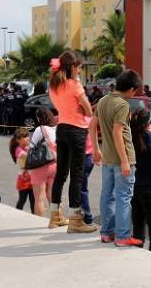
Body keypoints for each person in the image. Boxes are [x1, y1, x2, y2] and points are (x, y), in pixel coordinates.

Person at [90, 69, 142, 246]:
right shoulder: (122, 105)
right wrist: (125, 161)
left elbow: (92, 125)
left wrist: (96, 149)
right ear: (131, 89)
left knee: (107, 195)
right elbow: (117, 132)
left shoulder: (103, 100)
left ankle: (106, 233)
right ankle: (122, 236)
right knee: (124, 197)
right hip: (122, 159)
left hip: (107, 158)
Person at [48, 51, 96, 233]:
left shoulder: (53, 86)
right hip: (77, 131)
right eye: (79, 67)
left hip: (62, 128)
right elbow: (89, 111)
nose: (80, 71)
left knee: (61, 173)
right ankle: (75, 218)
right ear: (73, 67)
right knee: (77, 174)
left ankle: (55, 215)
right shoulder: (75, 85)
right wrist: (83, 110)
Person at [130, 108, 151, 253]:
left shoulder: (131, 136)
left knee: (138, 221)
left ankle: (138, 248)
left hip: (134, 185)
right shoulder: (147, 136)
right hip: (150, 187)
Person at [29, 108, 64, 220]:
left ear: (39, 118)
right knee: (53, 196)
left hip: (40, 166)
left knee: (39, 198)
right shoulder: (58, 128)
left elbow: (32, 147)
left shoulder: (40, 130)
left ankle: (38, 222)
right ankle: (57, 219)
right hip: (55, 164)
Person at [9, 128, 35, 214]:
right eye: (24, 137)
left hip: (32, 178)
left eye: (28, 136)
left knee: (33, 200)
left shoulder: (28, 147)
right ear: (18, 140)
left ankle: (34, 217)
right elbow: (28, 157)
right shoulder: (18, 150)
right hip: (23, 179)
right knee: (22, 200)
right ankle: (16, 214)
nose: (28, 138)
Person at [81, 116, 97, 225]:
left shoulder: (78, 121)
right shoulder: (89, 119)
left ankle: (87, 216)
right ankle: (84, 214)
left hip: (83, 156)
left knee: (81, 188)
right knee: (82, 187)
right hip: (90, 156)